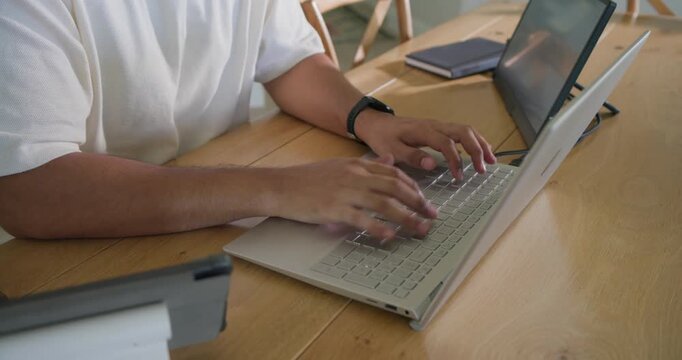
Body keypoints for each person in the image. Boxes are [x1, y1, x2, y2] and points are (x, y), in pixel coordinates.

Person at [0, 0, 496, 241]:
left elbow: (290, 58)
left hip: (219, 214)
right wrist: (277, 190)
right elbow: (29, 191)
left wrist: (367, 119)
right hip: (80, 247)